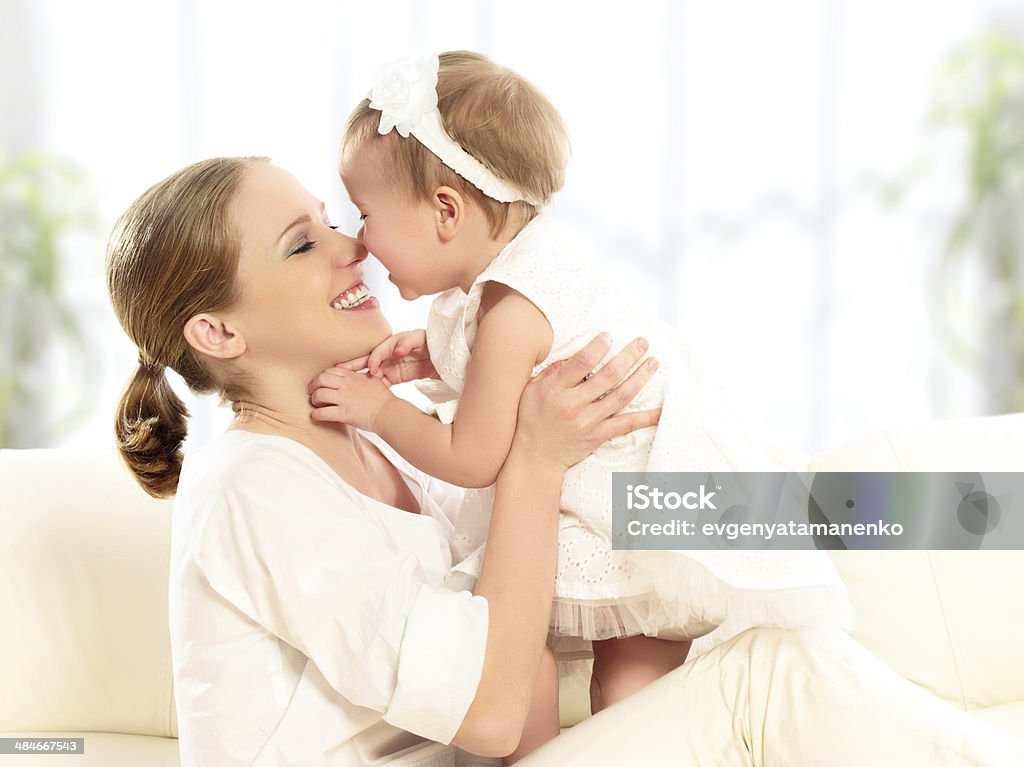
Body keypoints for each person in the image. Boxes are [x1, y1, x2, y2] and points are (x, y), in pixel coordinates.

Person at [107, 156, 1024, 767]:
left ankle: (986, 511)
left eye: (330, 220)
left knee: (769, 525)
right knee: (771, 671)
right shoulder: (251, 484)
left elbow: (577, 535)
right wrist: (535, 461)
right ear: (217, 330)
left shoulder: (377, 426)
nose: (355, 245)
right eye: (302, 243)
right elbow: (496, 711)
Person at [312, 50, 850, 756]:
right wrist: (441, 362)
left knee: (517, 653)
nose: (359, 241)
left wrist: (378, 409)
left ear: (446, 211)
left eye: (365, 213)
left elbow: (474, 456)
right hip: (658, 490)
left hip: (611, 503)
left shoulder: (508, 309)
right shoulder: (533, 268)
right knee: (632, 686)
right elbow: (527, 373)